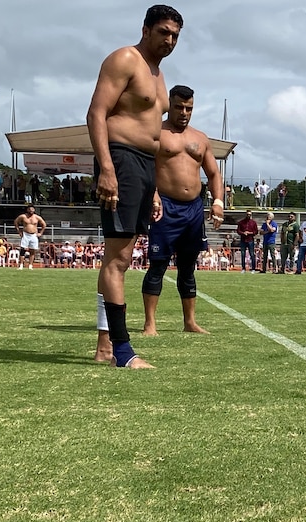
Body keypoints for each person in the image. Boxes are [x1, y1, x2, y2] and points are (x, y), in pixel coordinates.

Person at [87, 4, 183, 368]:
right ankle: (122, 351)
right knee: (119, 258)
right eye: (163, 32)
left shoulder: (158, 75)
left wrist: (155, 187)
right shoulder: (125, 59)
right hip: (121, 158)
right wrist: (107, 168)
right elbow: (96, 113)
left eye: (175, 35)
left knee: (120, 258)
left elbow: (151, 133)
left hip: (144, 166)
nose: (169, 40)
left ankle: (104, 347)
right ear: (146, 30)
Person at [141, 84, 224, 336]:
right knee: (158, 265)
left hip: (194, 209)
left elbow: (213, 173)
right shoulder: (156, 132)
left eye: (189, 108)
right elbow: (145, 168)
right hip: (165, 207)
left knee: (188, 267)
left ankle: (190, 322)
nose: (184, 112)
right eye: (179, 107)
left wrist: (218, 202)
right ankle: (150, 324)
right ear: (169, 104)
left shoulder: (200, 138)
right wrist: (153, 193)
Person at [13, 204, 47, 270]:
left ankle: (30, 265)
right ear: (27, 209)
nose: (31, 211)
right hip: (25, 234)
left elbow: (44, 224)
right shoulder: (23, 216)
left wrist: (41, 233)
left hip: (34, 235)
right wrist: (19, 231)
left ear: (34, 210)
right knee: (23, 250)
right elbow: (16, 222)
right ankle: (21, 265)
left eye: (32, 209)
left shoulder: (37, 217)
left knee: (32, 250)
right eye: (29, 209)